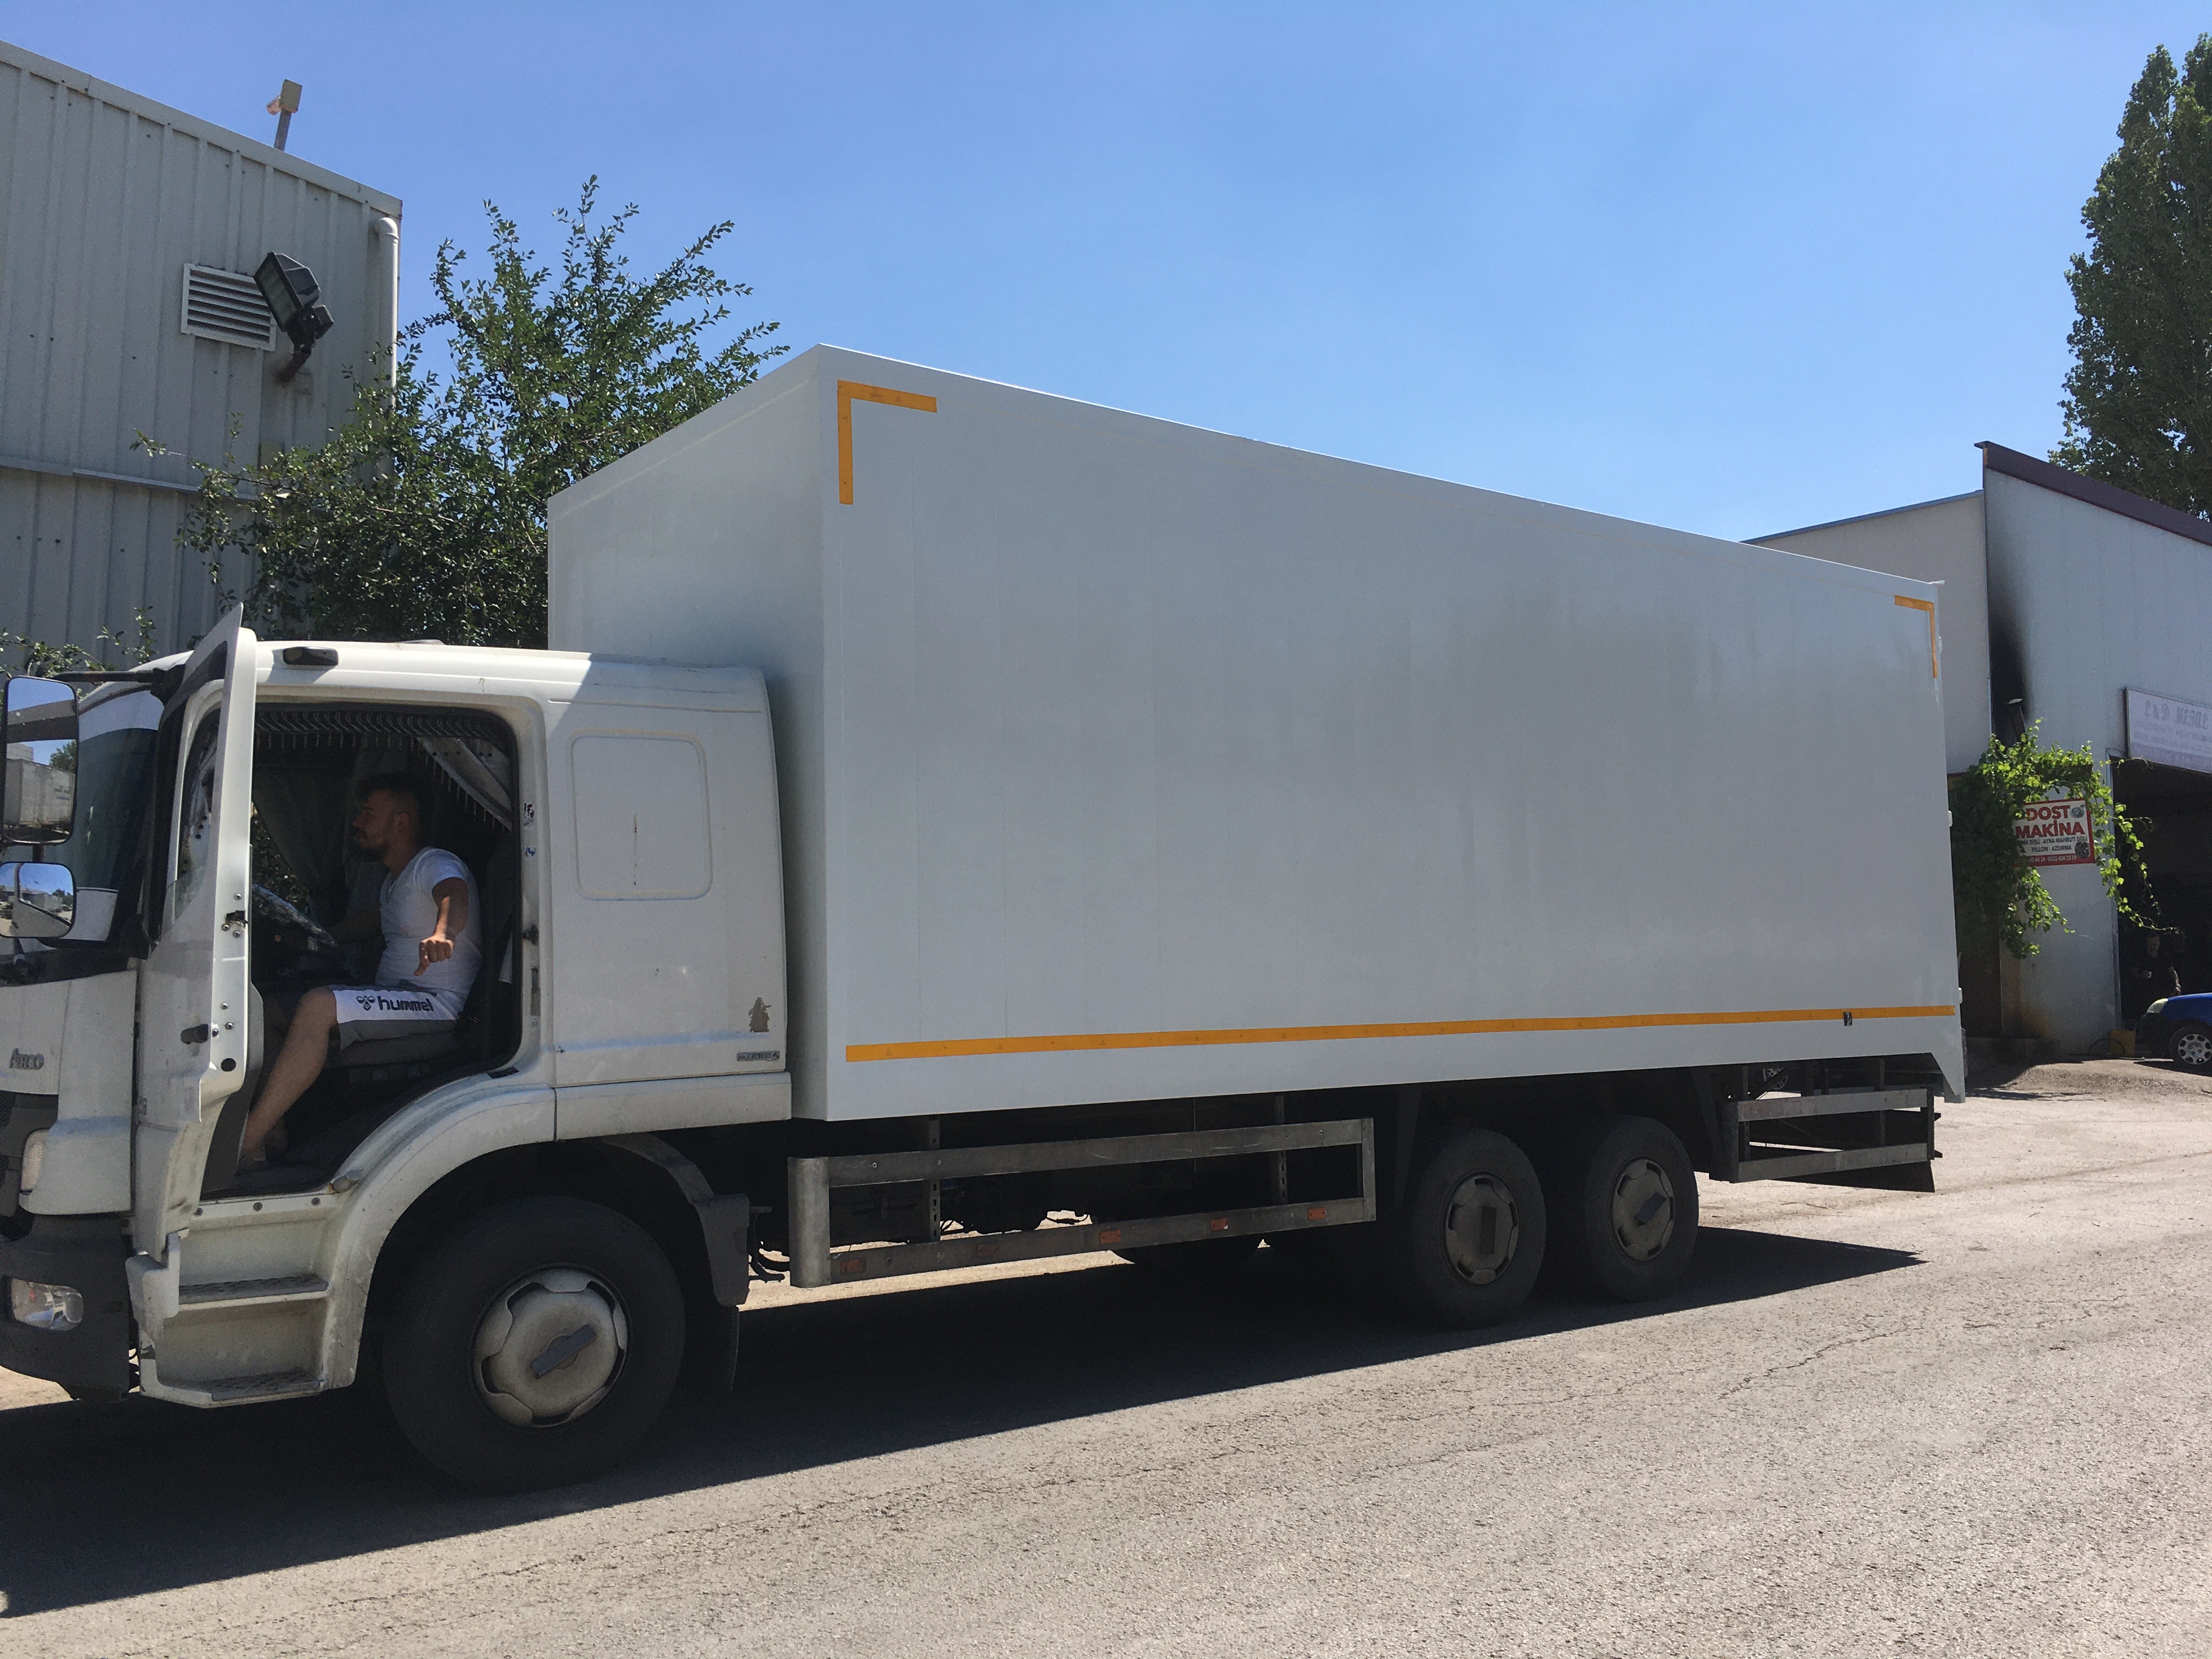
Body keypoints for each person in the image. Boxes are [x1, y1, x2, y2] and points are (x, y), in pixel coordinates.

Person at [241, 774, 481, 1162]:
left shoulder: (435, 863)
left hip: (437, 1003)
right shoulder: (395, 882)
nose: (358, 822)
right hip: (400, 996)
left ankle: (249, 1139)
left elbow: (454, 894)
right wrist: (313, 934)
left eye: (369, 814)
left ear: (401, 822)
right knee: (269, 1010)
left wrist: (445, 934)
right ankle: (274, 1131)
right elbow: (371, 922)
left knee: (319, 1005)